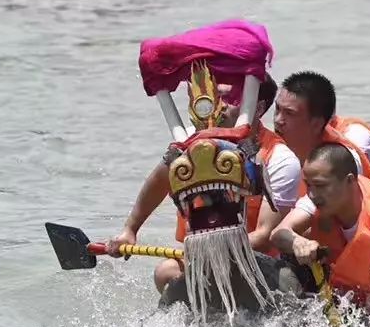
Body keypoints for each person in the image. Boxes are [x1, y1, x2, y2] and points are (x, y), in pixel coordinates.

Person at [105, 75, 302, 294]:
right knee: (165, 272)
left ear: (257, 108)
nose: (220, 106)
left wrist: (212, 250)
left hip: (256, 260)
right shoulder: (190, 142)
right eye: (217, 97)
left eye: (230, 99)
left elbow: (265, 236)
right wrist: (130, 229)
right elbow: (160, 180)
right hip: (200, 256)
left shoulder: (280, 158)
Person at [271, 143, 370, 323]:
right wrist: (297, 242)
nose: (312, 194)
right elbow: (278, 233)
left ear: (350, 181)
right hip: (346, 299)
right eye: (308, 186)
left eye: (320, 185)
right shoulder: (319, 198)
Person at [273, 71, 370, 208]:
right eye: (277, 109)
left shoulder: (347, 153)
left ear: (317, 124)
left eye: (289, 113)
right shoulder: (273, 148)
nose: (278, 120)